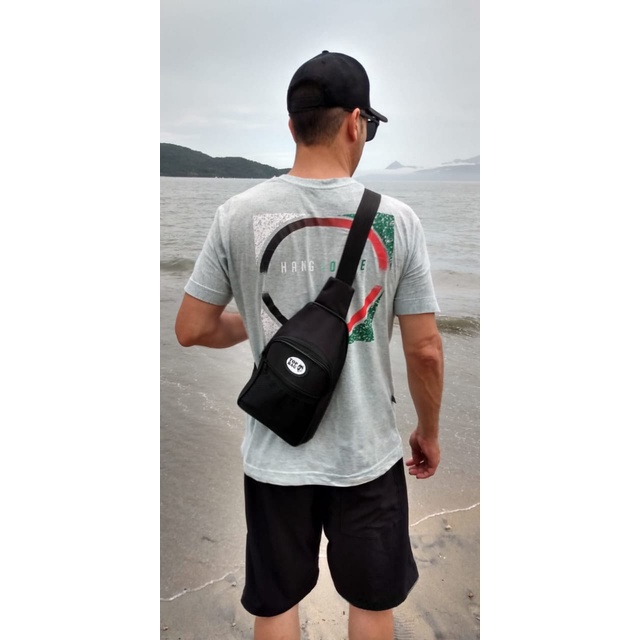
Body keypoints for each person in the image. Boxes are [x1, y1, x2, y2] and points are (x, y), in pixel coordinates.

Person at [175, 50, 444, 640]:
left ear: (292, 125)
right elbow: (425, 349)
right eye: (368, 126)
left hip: (275, 454)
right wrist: (427, 431)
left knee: (276, 605)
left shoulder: (236, 214)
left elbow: (192, 328)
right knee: (372, 604)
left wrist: (264, 321)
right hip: (366, 455)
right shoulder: (398, 220)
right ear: (355, 123)